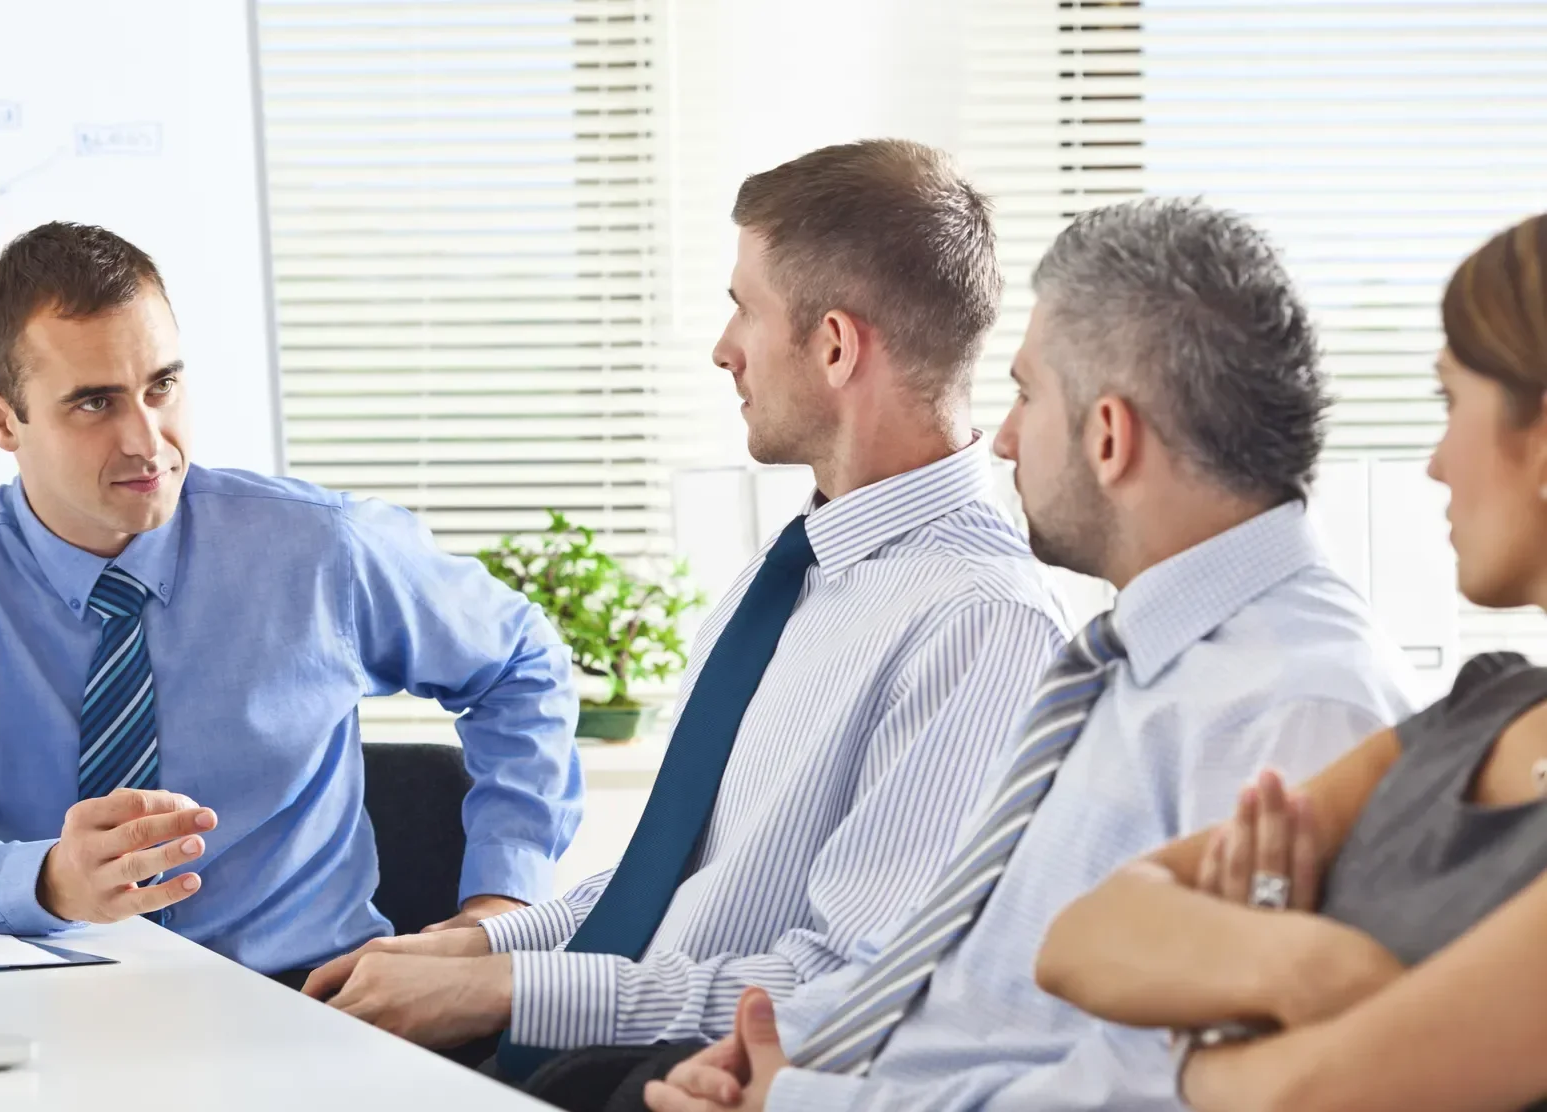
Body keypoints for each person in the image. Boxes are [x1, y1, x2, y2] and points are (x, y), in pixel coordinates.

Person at [298, 139, 1070, 1106]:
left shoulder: (983, 626)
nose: (722, 347)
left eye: (745, 307)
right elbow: (673, 884)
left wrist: (509, 991)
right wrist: (484, 944)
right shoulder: (798, 573)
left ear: (836, 345)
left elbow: (850, 986)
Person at [643, 198, 1420, 1112]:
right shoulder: (1127, 664)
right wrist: (764, 1059)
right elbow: (955, 978)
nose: (1004, 438)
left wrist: (801, 1103)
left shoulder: (1296, 711)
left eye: (1024, 393)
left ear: (1108, 436)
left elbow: (1154, 1090)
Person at [0, 222, 583, 982]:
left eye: (162, 387)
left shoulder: (320, 547)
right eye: (94, 403)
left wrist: (502, 901)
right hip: (46, 1003)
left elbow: (522, 663)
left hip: (311, 1000)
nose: (147, 441)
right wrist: (48, 881)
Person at [1036, 211, 1547, 1112]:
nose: (1435, 464)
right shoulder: (1484, 707)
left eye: (1449, 403)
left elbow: (1304, 1093)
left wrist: (1210, 1036)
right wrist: (1304, 965)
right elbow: (1080, 938)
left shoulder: (1315, 690)